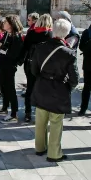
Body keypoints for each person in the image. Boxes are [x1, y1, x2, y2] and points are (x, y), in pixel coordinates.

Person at [31, 19, 79, 162]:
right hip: (58, 88)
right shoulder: (69, 53)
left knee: (40, 120)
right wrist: (68, 87)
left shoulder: (40, 47)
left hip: (42, 86)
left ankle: (40, 147)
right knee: (56, 122)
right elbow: (74, 77)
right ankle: (54, 153)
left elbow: (34, 70)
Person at [19, 14, 53, 122]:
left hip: (30, 64)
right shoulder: (50, 34)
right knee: (43, 90)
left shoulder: (31, 33)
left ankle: (28, 113)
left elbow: (24, 48)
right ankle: (41, 113)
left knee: (30, 88)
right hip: (45, 66)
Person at [0, 15, 24, 122]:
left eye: (6, 22)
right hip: (2, 64)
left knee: (10, 89)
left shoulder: (16, 36)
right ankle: (5, 107)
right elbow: (6, 47)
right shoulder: (7, 34)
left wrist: (0, 47)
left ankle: (14, 114)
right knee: (3, 87)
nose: (4, 24)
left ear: (11, 24)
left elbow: (13, 54)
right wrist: (0, 44)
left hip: (9, 66)